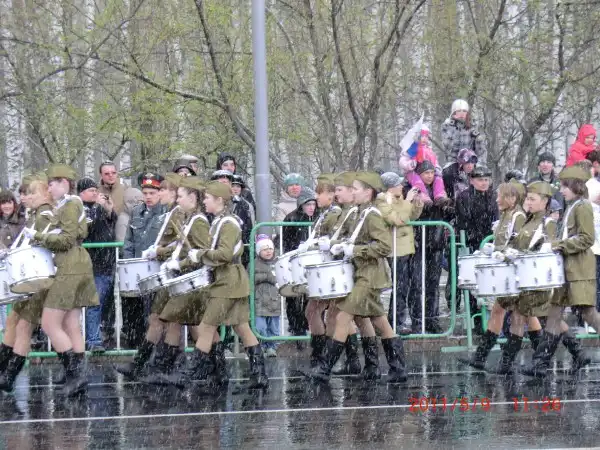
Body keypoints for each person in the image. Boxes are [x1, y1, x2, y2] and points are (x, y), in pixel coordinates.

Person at [158, 180, 268, 389]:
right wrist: (181, 263)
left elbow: (224, 254)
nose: (204, 201)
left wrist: (200, 254)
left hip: (228, 281)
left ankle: (188, 376)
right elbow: (206, 254)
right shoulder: (219, 221)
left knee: (207, 326)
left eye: (208, 198)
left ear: (219, 200)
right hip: (228, 280)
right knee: (242, 327)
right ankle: (258, 375)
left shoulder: (229, 224)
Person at [309, 172, 407, 384]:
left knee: (344, 316)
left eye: (355, 188)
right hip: (361, 272)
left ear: (368, 192)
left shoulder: (372, 215)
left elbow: (384, 247)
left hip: (369, 275)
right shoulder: (360, 213)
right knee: (379, 320)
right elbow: (352, 239)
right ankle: (393, 368)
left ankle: (324, 369)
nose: (352, 192)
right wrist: (337, 245)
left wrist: (354, 250)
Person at [14, 165, 98, 396]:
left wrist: (38, 236)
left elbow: (66, 240)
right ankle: (77, 373)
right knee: (70, 323)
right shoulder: (69, 204)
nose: (49, 188)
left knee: (50, 323)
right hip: (75, 264)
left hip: (69, 265)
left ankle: (75, 374)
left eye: (52, 184)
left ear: (64, 183)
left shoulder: (70, 204)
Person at [521, 166, 600, 377]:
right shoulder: (573, 206)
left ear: (576, 186)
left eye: (565, 186)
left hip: (579, 270)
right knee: (554, 314)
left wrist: (558, 245)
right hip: (567, 269)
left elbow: (587, 238)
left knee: (588, 314)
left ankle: (541, 362)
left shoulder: (582, 207)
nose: (562, 190)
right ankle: (540, 363)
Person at [0, 174, 53, 388]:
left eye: (31, 193)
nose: (26, 198)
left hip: (38, 277)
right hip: (29, 278)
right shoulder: (34, 215)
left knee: (25, 326)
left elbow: (47, 244)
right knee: (13, 320)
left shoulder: (45, 215)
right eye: (24, 194)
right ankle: (3, 369)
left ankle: (9, 375)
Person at [122, 173, 166, 347]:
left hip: (158, 269)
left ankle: (158, 348)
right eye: (145, 193)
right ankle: (140, 345)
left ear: (159, 193)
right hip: (138, 270)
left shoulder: (166, 212)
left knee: (156, 312)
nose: (148, 197)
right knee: (137, 311)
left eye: (152, 193)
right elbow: (129, 242)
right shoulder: (136, 212)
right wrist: (129, 264)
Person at [377, 172, 423, 335]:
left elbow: (411, 217)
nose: (402, 187)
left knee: (410, 286)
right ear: (390, 187)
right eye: (398, 184)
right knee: (400, 287)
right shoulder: (383, 200)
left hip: (407, 248)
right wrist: (408, 201)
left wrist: (417, 203)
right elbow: (397, 220)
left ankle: (404, 321)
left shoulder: (399, 199)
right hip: (395, 250)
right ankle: (395, 322)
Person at [78, 177, 118, 352]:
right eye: (91, 190)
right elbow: (88, 229)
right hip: (93, 264)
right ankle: (93, 340)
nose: (95, 193)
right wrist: (99, 209)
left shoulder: (97, 208)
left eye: (96, 190)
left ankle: (104, 336)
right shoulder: (81, 209)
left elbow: (111, 223)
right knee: (95, 303)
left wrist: (109, 210)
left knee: (107, 303)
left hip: (107, 262)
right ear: (81, 193)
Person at [399, 125, 447, 204]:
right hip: (413, 171)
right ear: (416, 137)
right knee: (416, 180)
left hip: (428, 170)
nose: (424, 139)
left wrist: (437, 168)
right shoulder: (411, 148)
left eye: (426, 136)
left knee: (438, 178)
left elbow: (434, 161)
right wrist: (410, 164)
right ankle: (422, 195)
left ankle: (439, 196)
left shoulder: (428, 149)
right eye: (422, 136)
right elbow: (403, 160)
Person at [254, 235, 280, 357]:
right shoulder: (254, 264)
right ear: (258, 251)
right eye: (264, 249)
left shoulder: (277, 262)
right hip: (259, 301)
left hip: (274, 300)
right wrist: (267, 277)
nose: (268, 251)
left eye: (270, 248)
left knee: (273, 328)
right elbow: (250, 278)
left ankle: (272, 347)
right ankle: (263, 345)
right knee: (260, 327)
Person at [441, 99, 487, 164]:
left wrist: (479, 164)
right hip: (453, 163)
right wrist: (452, 127)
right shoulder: (447, 125)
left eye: (464, 111)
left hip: (470, 163)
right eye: (459, 111)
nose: (462, 113)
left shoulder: (474, 127)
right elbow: (447, 147)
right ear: (454, 112)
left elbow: (481, 150)